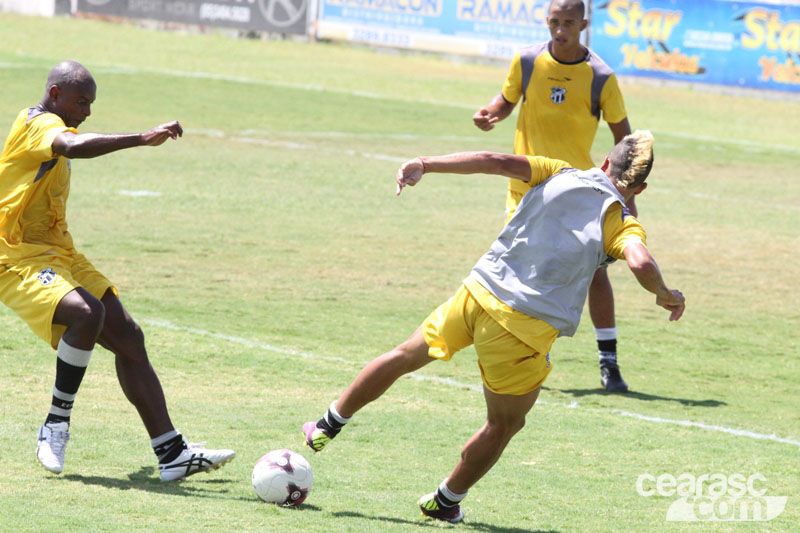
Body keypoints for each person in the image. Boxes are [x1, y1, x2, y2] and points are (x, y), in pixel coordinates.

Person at [303, 131, 684, 523]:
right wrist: (664, 293)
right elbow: (639, 261)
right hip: (521, 329)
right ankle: (445, 500)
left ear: (605, 162)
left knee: (404, 355)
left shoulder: (557, 171)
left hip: (476, 293)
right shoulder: (620, 221)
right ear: (640, 187)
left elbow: (492, 159)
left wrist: (425, 163)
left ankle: (325, 425)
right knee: (504, 423)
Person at [0, 60, 234, 481]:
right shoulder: (37, 124)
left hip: (59, 253)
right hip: (15, 257)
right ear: (55, 95)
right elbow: (72, 147)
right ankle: (55, 424)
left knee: (129, 336)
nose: (87, 111)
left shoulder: (57, 123)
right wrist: (141, 139)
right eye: (81, 102)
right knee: (86, 313)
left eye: (91, 104)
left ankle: (171, 453)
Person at [473, 0, 634, 392]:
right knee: (520, 270)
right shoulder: (527, 62)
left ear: (583, 22)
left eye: (568, 23)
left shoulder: (600, 76)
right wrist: (491, 113)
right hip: (526, 188)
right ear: (547, 22)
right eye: (554, 22)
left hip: (577, 190)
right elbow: (507, 99)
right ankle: (524, 354)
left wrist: (622, 190)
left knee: (595, 273)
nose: (560, 30)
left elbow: (623, 137)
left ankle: (608, 361)